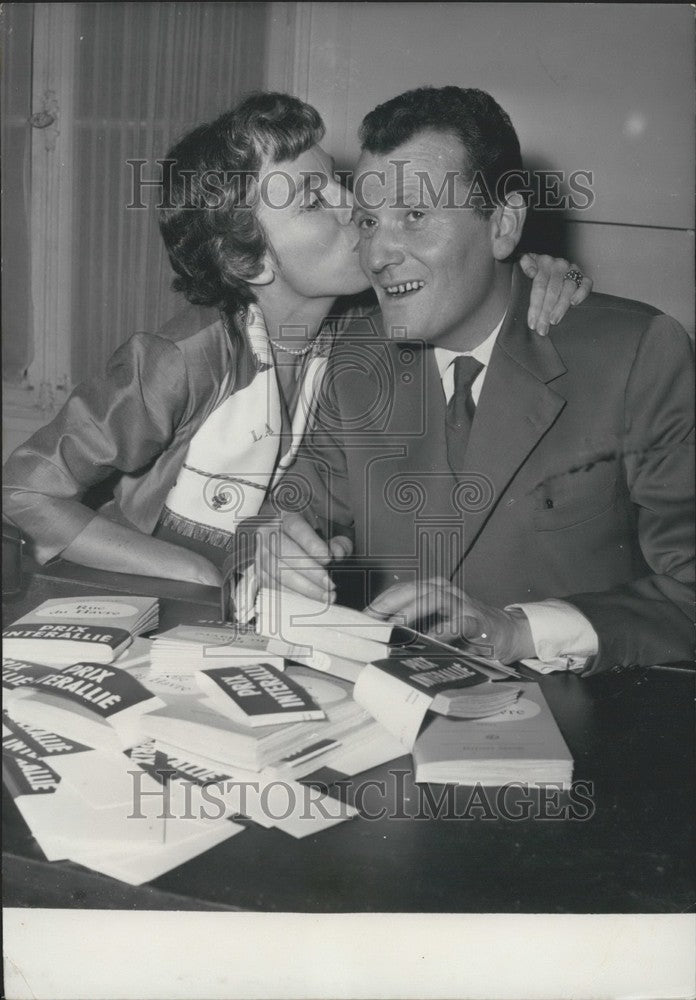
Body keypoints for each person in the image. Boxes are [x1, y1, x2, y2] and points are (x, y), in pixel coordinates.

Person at [3, 92, 591, 587]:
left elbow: (472, 277)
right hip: (144, 606)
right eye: (314, 200)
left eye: (337, 183)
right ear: (246, 257)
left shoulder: (370, 329)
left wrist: (542, 271)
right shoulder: (178, 361)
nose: (353, 206)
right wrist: (192, 571)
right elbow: (22, 491)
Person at [254, 86, 694, 675]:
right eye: (367, 220)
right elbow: (290, 510)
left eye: (414, 215)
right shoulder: (359, 357)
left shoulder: (638, 355)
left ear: (504, 224)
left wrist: (517, 629)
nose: (379, 252)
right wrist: (274, 541)